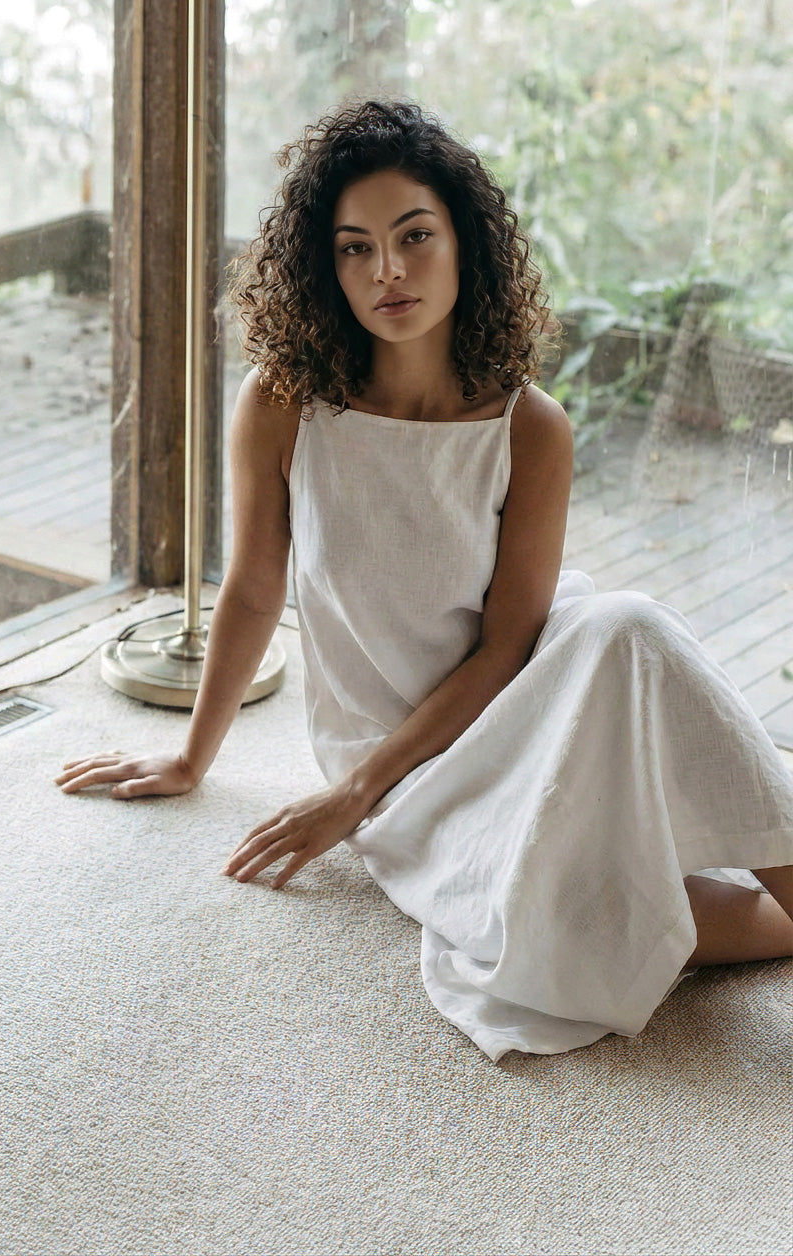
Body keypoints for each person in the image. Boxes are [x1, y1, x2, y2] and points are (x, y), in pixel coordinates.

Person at [57, 100, 793, 1060]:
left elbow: (510, 643)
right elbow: (250, 589)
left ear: (464, 245)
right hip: (409, 764)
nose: (388, 272)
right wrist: (196, 760)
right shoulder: (284, 404)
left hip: (522, 692)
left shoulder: (530, 427)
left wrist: (346, 797)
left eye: (413, 237)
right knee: (560, 940)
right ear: (327, 266)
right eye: (356, 248)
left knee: (630, 624)